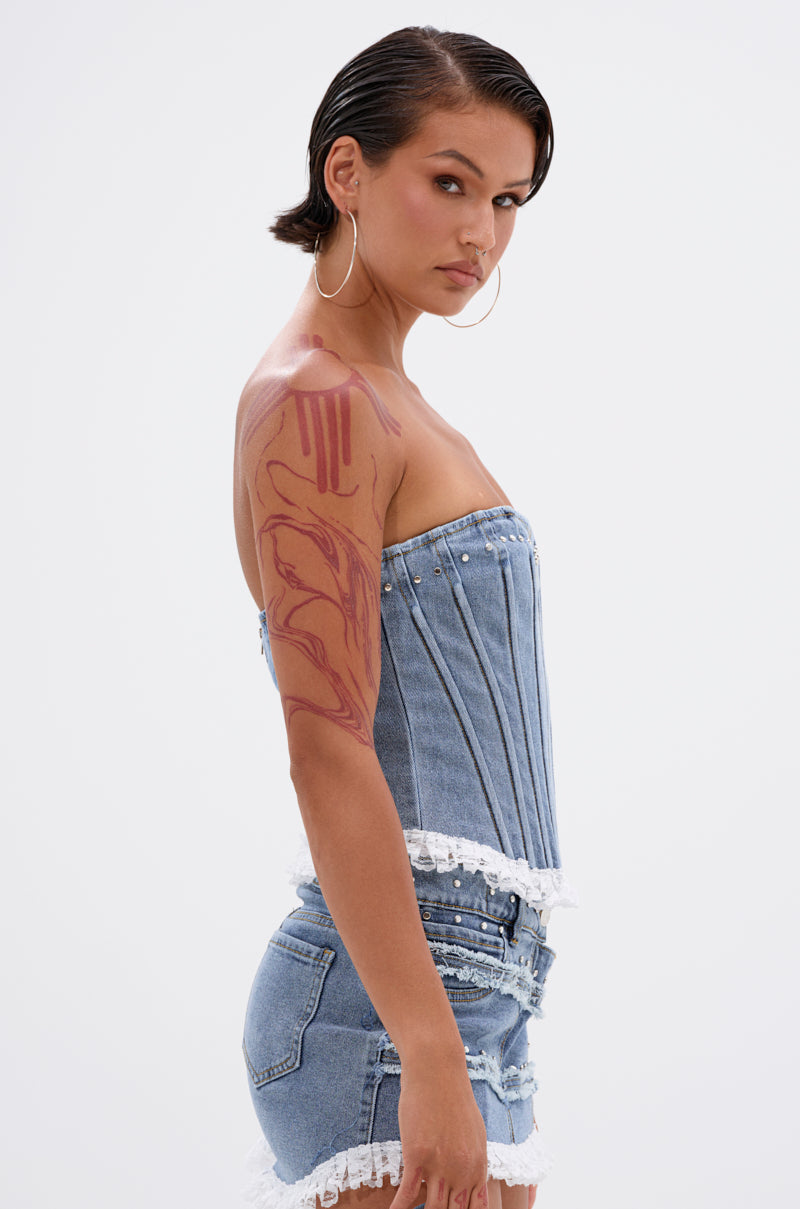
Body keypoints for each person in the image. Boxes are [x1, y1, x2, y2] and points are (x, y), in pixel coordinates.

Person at [232, 25, 576, 1209]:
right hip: (387, 1008)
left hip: (477, 992)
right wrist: (426, 1049)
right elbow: (325, 744)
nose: (481, 232)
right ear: (347, 171)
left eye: (507, 199)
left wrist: (454, 1033)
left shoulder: (390, 400)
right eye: (450, 182)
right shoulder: (315, 403)